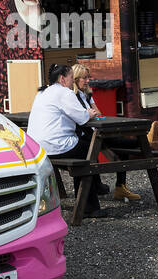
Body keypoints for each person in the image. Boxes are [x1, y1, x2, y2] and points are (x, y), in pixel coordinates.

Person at [27, 63, 105, 217]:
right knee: (89, 150)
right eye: (71, 77)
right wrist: (89, 113)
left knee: (86, 146)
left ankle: (96, 188)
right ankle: (88, 207)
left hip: (38, 148)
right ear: (62, 79)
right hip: (57, 147)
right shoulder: (65, 93)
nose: (72, 81)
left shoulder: (42, 93)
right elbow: (82, 118)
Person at [72, 64, 140, 202]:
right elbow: (82, 117)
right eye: (84, 78)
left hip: (93, 132)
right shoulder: (71, 96)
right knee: (119, 144)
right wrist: (89, 114)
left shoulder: (86, 94)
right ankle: (143, 143)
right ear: (75, 78)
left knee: (121, 147)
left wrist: (90, 114)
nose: (87, 81)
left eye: (88, 78)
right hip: (83, 136)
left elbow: (98, 113)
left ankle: (120, 187)